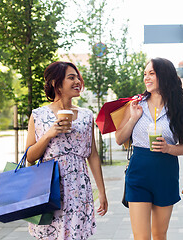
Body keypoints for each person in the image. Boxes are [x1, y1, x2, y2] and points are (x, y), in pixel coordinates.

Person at [25, 61, 108, 239]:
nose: (78, 81)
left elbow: (92, 155)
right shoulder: (38, 115)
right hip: (48, 187)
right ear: (56, 84)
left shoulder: (86, 115)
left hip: (79, 188)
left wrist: (101, 191)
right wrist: (49, 134)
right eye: (71, 77)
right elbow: (29, 157)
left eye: (78, 77)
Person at [115, 57, 183, 240]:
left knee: (159, 235)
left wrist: (168, 148)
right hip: (138, 172)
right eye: (145, 74)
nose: (146, 78)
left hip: (166, 173)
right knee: (141, 237)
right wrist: (133, 118)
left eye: (151, 73)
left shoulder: (179, 108)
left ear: (164, 76)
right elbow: (119, 139)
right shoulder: (136, 104)